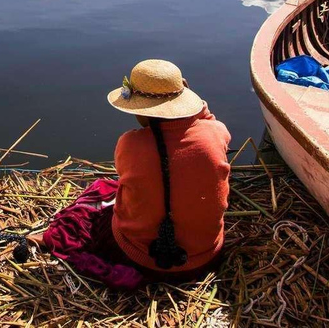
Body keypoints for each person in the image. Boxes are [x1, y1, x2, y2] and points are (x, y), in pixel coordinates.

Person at [36, 59, 231, 288]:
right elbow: (207, 123)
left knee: (103, 195)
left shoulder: (130, 144)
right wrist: (195, 104)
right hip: (205, 258)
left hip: (139, 259)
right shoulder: (216, 133)